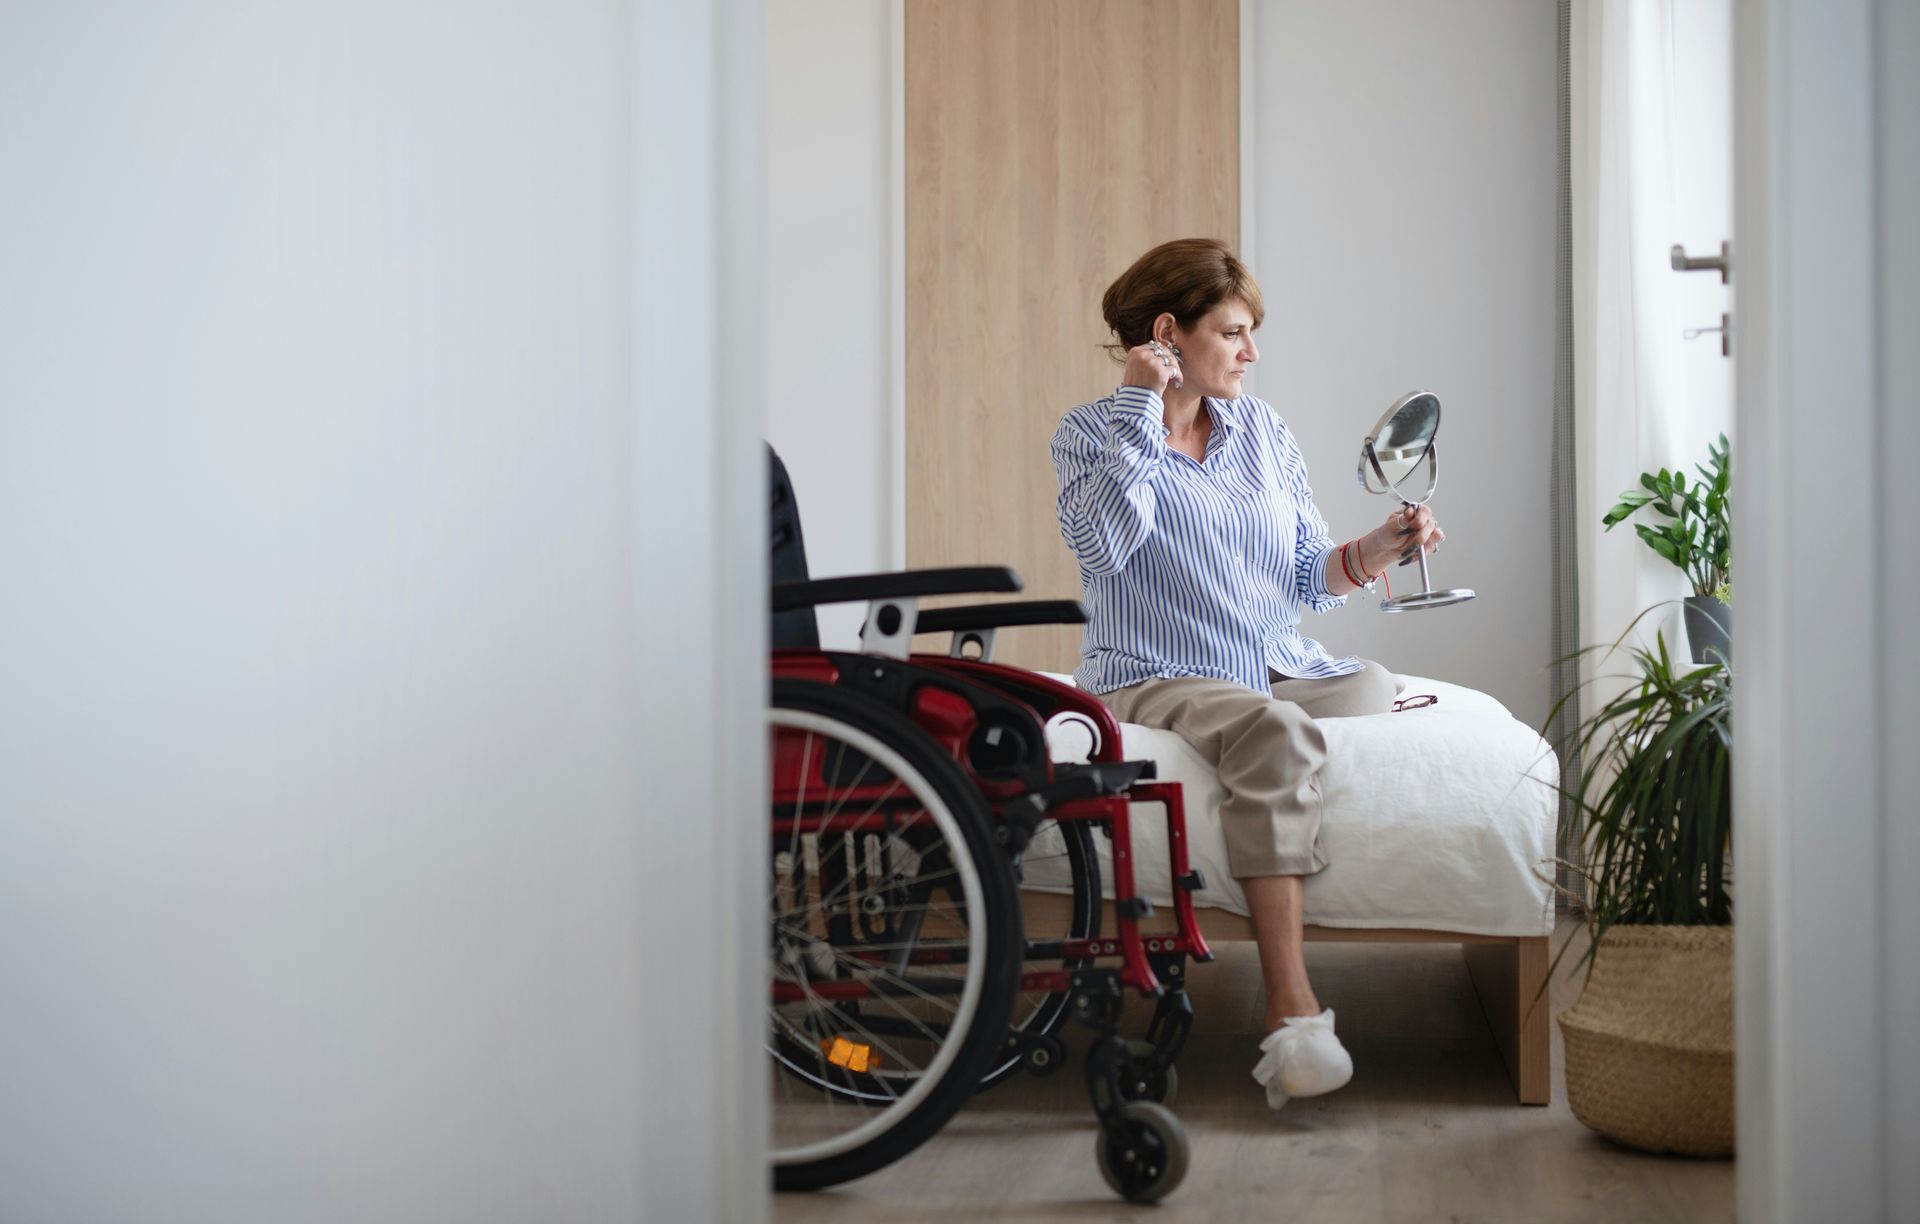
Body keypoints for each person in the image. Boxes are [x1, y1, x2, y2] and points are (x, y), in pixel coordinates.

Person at [1049, 238, 1445, 1111]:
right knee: (1275, 732)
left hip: (1270, 659)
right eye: (1233, 332)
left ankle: (1274, 736)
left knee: (1374, 685)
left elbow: (1309, 576)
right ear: (1167, 334)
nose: (1251, 352)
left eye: (1250, 332)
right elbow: (1103, 544)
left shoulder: (1263, 431)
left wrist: (1379, 547)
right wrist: (1137, 409)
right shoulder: (1089, 434)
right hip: (1154, 670)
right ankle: (1291, 1007)